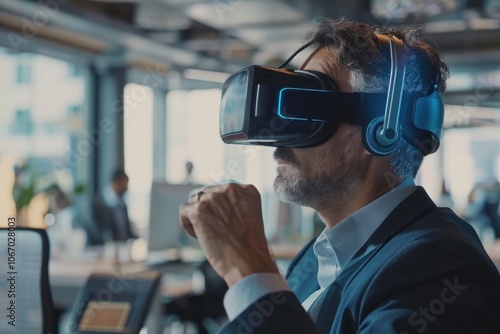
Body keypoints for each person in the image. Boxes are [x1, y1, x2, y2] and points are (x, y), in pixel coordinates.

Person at [179, 18, 500, 333]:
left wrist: (249, 271)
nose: (280, 138)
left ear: (382, 131)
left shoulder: (442, 267)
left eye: (306, 104)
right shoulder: (318, 256)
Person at [93, 169, 137, 243]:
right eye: (125, 183)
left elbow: (128, 233)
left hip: (124, 246)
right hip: (108, 248)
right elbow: (100, 232)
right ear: (115, 182)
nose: (127, 188)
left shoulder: (123, 205)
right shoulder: (100, 204)